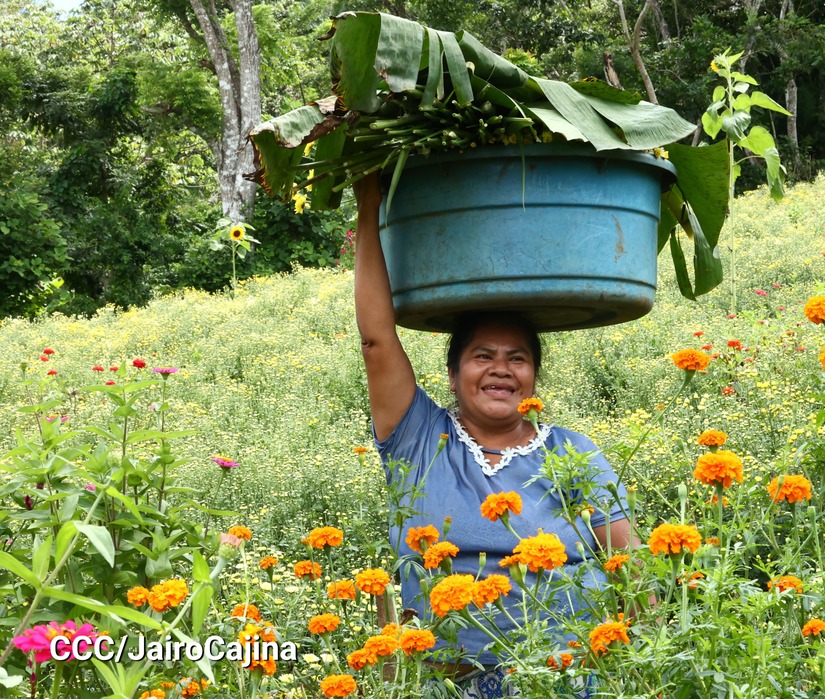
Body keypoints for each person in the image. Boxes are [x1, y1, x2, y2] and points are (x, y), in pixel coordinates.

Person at [353, 173, 634, 698]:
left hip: (562, 679)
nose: (500, 369)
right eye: (482, 356)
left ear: (534, 377)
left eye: (517, 358)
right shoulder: (419, 436)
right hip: (445, 681)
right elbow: (376, 340)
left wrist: (643, 668)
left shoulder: (572, 451)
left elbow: (632, 564)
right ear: (453, 374)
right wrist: (369, 208)